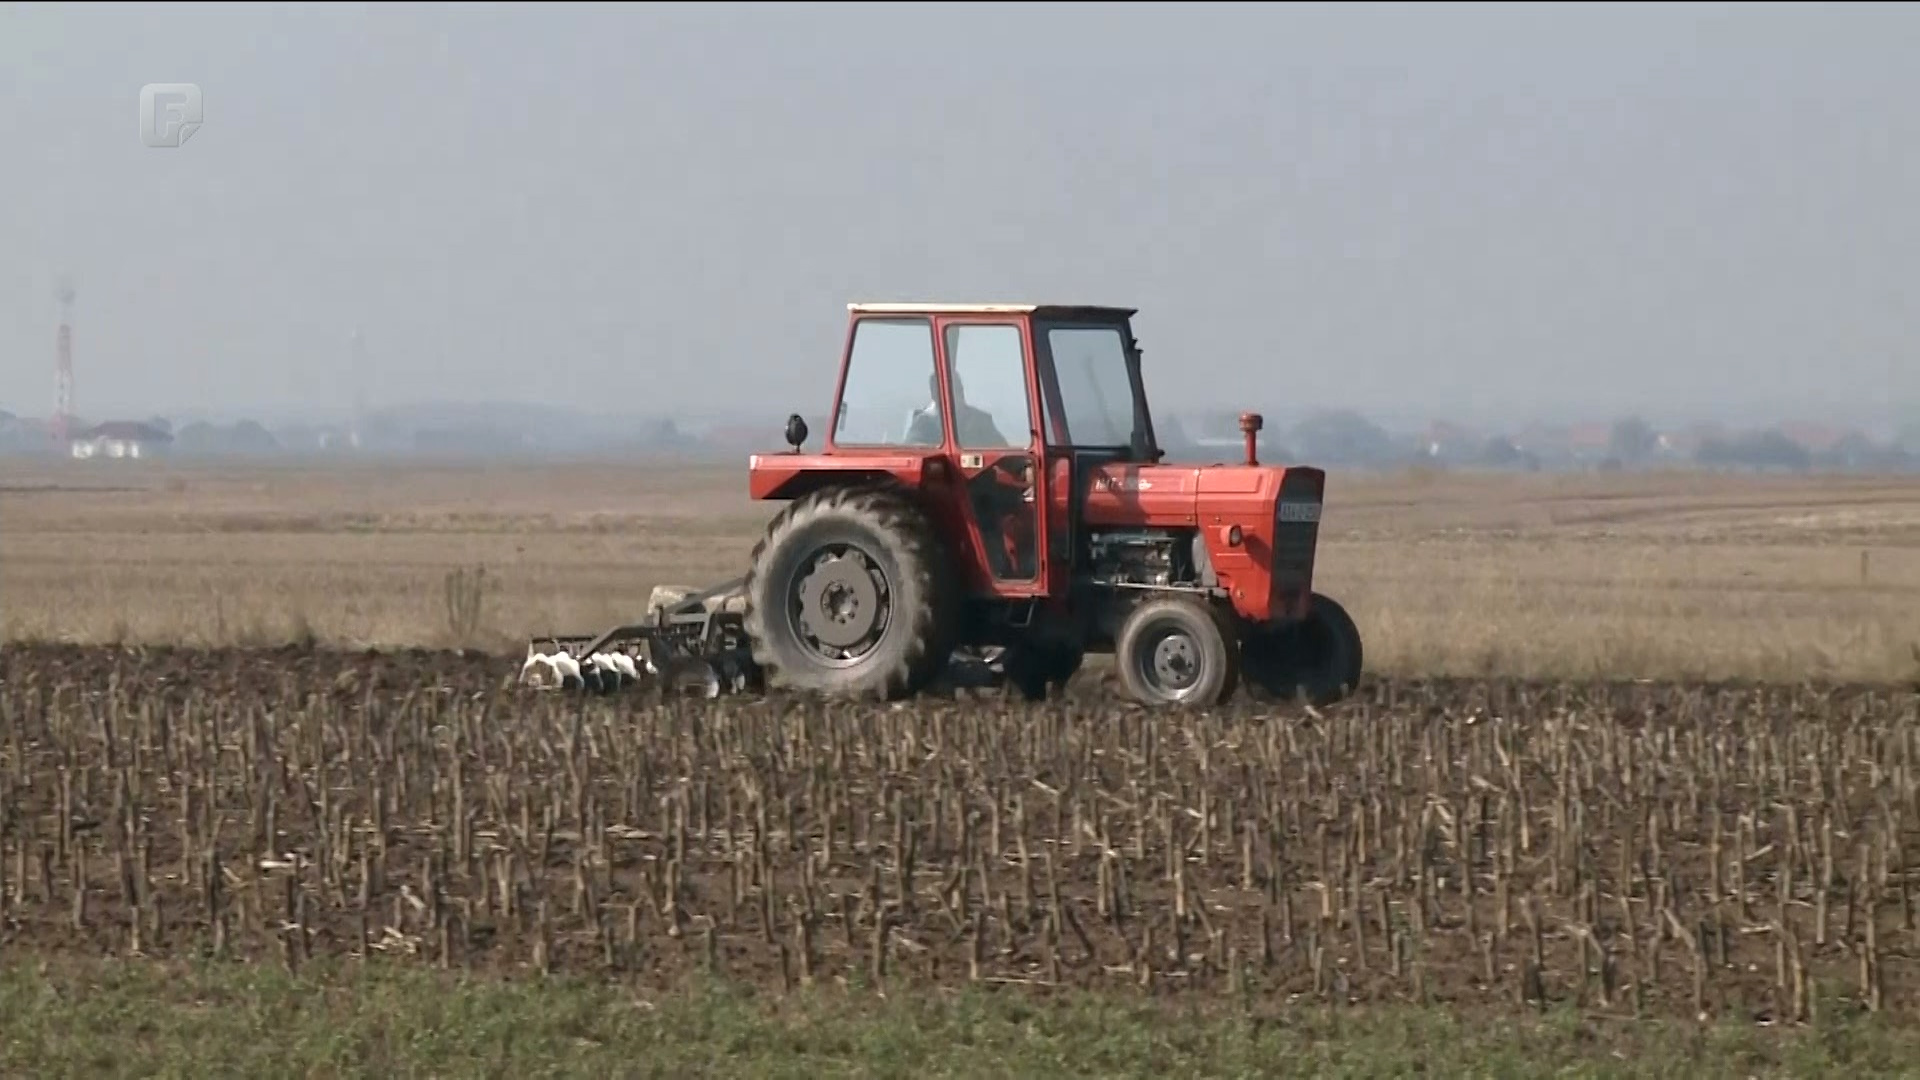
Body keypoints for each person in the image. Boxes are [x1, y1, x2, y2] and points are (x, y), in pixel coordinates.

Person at [905, 369, 1013, 448]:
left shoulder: (980, 420)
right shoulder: (923, 422)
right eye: (949, 390)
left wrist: (1021, 468)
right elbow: (912, 448)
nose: (956, 394)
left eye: (958, 388)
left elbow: (1002, 451)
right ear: (934, 394)